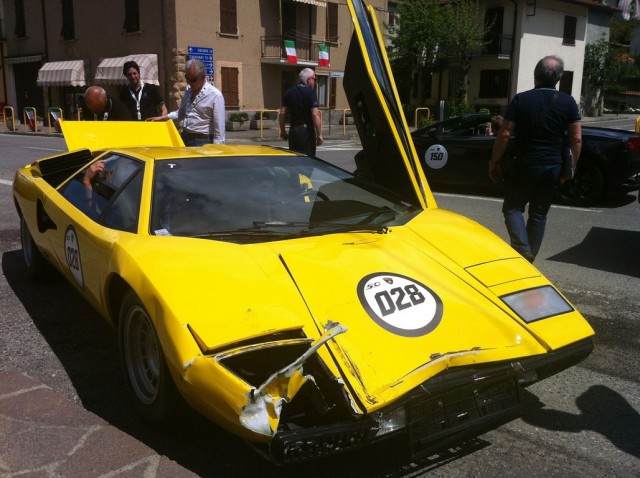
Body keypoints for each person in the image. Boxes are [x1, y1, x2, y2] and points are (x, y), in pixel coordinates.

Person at [489, 55, 582, 263]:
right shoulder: (568, 103)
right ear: (558, 79)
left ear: (535, 75)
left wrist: (494, 161)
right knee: (539, 214)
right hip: (552, 166)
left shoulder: (521, 99)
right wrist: (571, 168)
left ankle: (522, 250)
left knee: (513, 208)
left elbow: (504, 134)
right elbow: (576, 139)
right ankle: (529, 259)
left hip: (524, 163)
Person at [149, 59, 225, 146]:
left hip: (203, 141)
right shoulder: (188, 90)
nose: (189, 82)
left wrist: (218, 151)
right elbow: (181, 113)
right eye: (187, 78)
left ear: (203, 77)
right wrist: (163, 118)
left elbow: (219, 130)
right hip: (185, 137)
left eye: (193, 80)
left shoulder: (215, 95)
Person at [279, 68, 323, 156]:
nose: (315, 82)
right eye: (314, 79)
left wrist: (283, 131)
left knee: (295, 162)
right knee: (308, 161)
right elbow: (315, 114)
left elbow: (282, 113)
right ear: (309, 80)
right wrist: (319, 134)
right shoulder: (311, 93)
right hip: (306, 131)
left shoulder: (289, 92)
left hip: (293, 131)